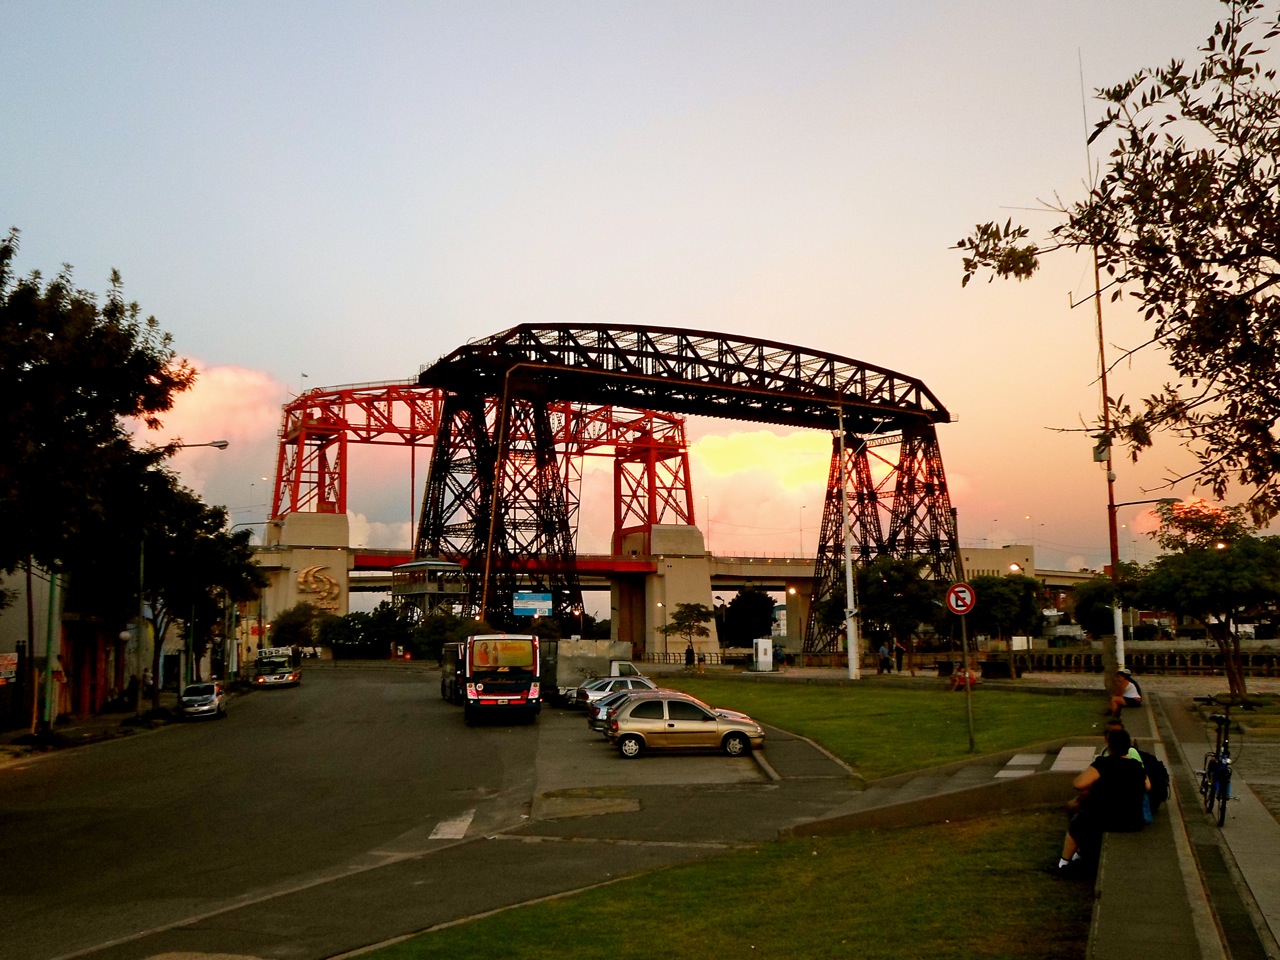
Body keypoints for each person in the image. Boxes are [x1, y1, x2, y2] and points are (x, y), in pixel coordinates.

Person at [1056, 725, 1150, 873]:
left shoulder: (1103, 764)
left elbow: (1079, 784)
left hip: (1108, 819)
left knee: (1077, 823)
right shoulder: (1136, 766)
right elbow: (1148, 786)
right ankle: (1079, 854)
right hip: (1133, 820)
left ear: (1110, 746)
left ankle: (1064, 862)